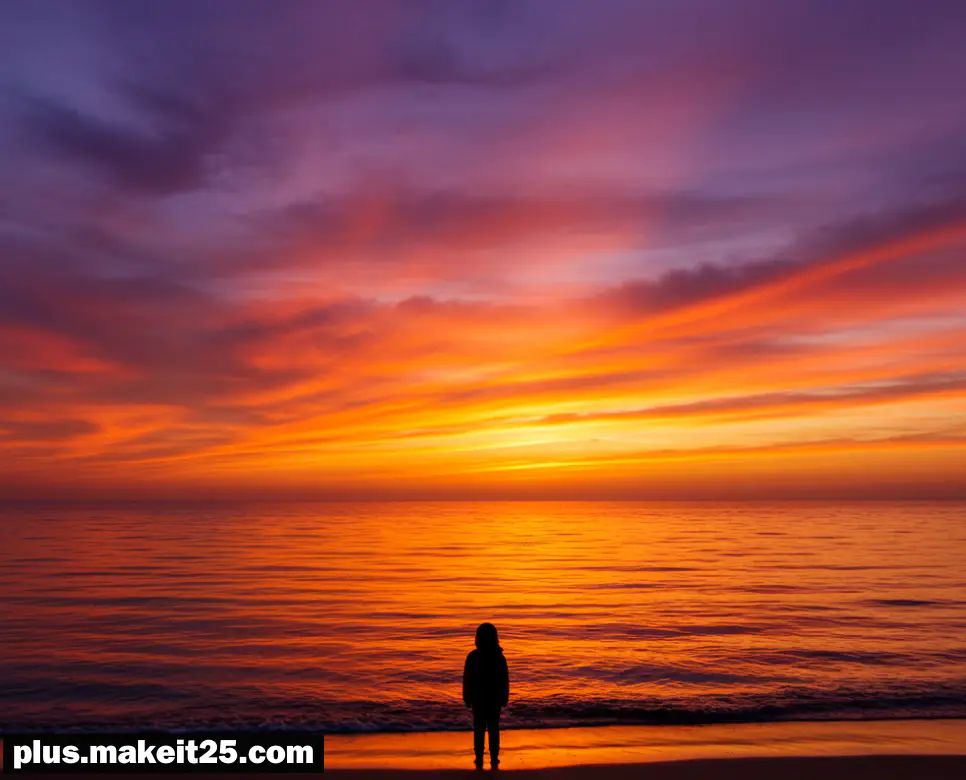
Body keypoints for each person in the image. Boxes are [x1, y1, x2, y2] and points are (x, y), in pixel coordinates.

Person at [462, 622, 509, 769]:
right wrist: (504, 696)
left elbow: (467, 678)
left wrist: (466, 696)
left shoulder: (473, 656)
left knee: (479, 727)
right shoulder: (499, 657)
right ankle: (494, 757)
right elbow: (504, 679)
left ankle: (479, 756)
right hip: (494, 698)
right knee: (493, 727)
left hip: (478, 697)